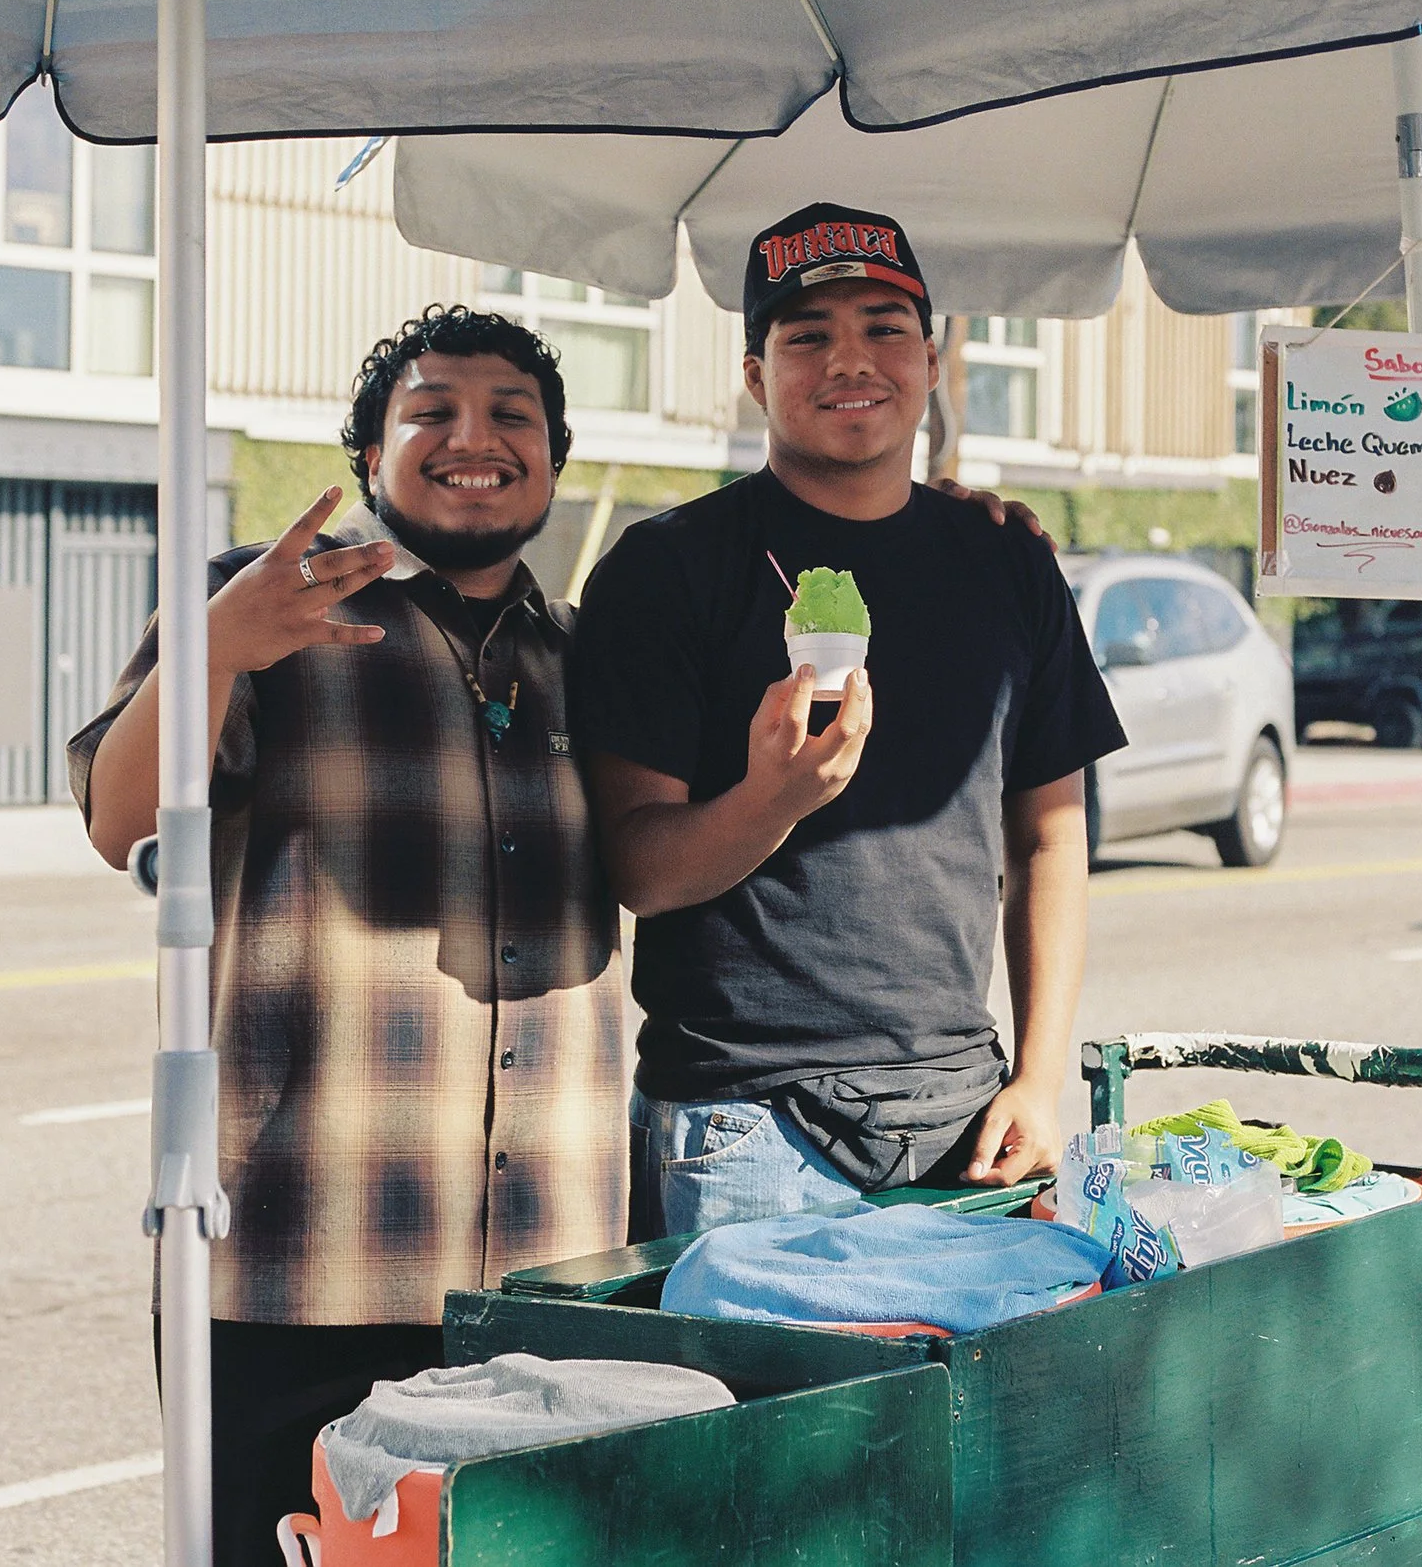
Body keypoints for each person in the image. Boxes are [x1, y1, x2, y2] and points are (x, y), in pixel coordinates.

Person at [72, 306, 622, 1567]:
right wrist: (217, 646)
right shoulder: (253, 606)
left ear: (553, 455)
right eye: (431, 410)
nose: (472, 437)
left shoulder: (585, 653)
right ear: (370, 452)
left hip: (550, 1269)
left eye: (511, 415)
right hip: (295, 1262)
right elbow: (116, 817)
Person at [568, 204, 1127, 1240]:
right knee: (775, 1410)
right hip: (751, 1129)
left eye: (882, 326)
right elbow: (640, 868)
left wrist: (1041, 1080)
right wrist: (771, 801)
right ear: (754, 375)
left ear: (933, 356)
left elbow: (1050, 834)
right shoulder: (667, 570)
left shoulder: (1005, 558)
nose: (849, 361)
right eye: (807, 335)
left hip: (971, 1115)